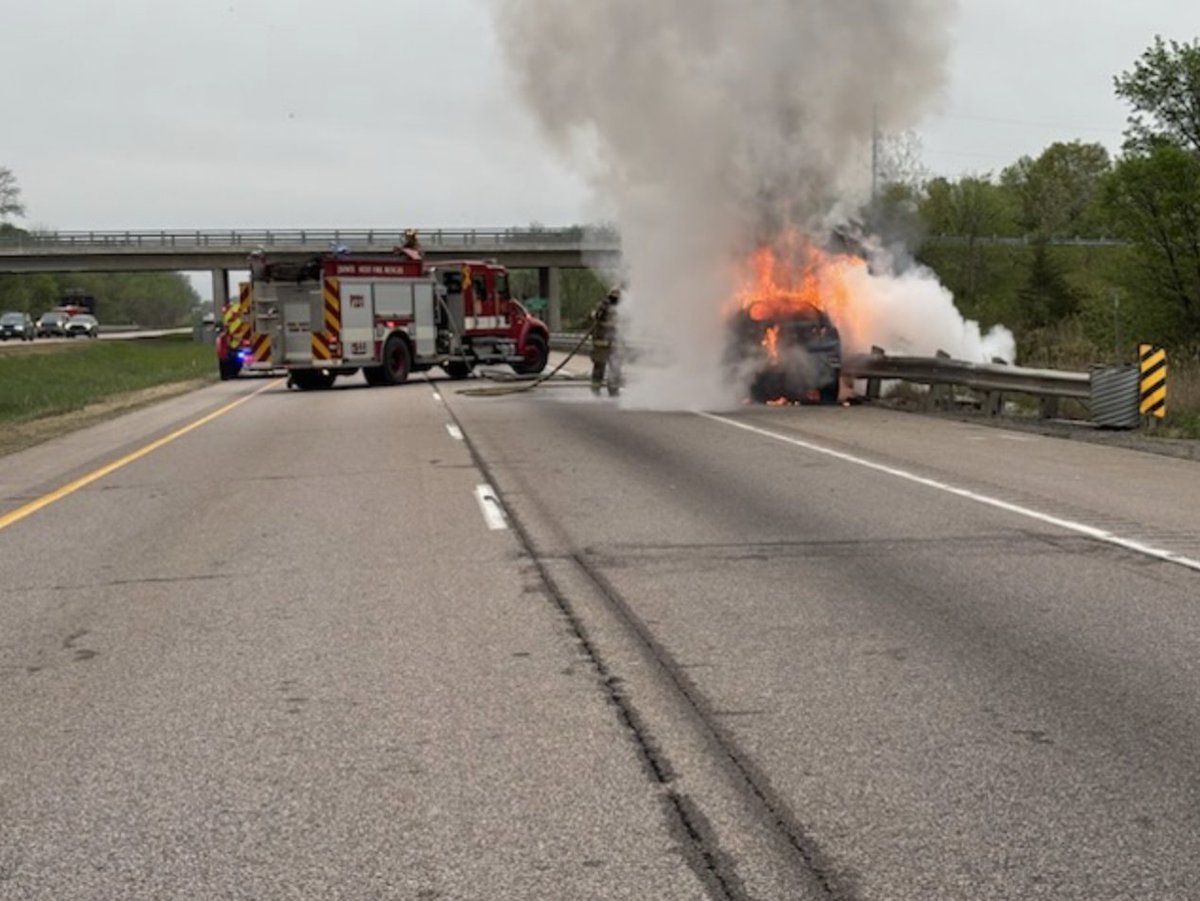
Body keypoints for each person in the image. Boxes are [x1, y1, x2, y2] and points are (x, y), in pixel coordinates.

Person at [590, 287, 622, 396]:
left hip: (614, 342)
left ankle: (613, 389)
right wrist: (601, 310)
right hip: (602, 342)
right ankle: (596, 389)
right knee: (600, 366)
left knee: (615, 367)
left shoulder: (621, 309)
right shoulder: (603, 306)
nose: (616, 298)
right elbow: (595, 317)